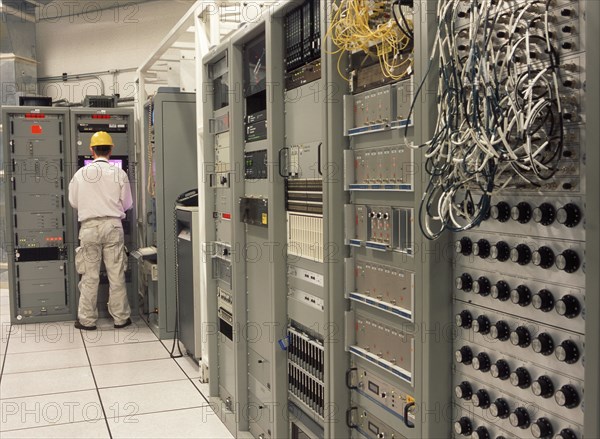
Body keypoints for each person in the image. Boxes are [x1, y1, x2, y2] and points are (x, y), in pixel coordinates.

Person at [69, 131, 133, 330]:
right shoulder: (119, 173)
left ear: (91, 150)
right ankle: (121, 318)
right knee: (116, 274)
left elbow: (73, 202)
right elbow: (128, 204)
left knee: (89, 276)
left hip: (89, 228)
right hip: (113, 226)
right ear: (111, 150)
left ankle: (87, 320)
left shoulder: (80, 174)